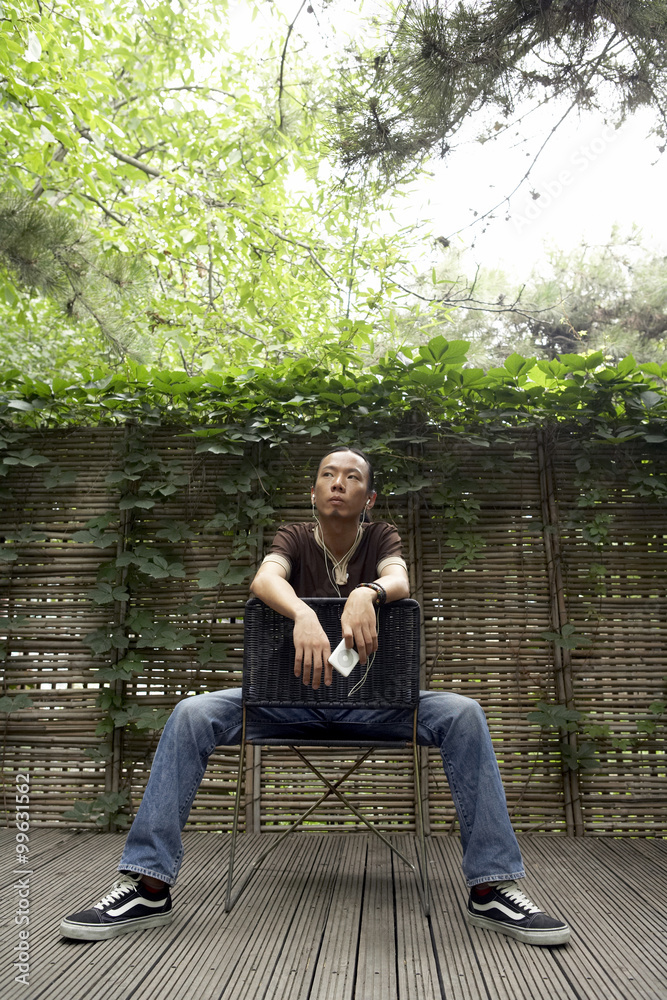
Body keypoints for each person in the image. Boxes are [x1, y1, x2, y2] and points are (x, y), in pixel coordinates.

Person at [60, 446, 570, 946]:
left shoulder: (382, 537)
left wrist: (366, 593)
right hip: (287, 702)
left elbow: (400, 577)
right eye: (328, 474)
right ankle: (147, 886)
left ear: (368, 497)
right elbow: (265, 578)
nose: (339, 483)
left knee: (464, 712)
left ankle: (492, 888)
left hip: (380, 707)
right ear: (313, 491)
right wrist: (303, 613)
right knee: (192, 712)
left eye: (352, 477)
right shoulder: (294, 537)